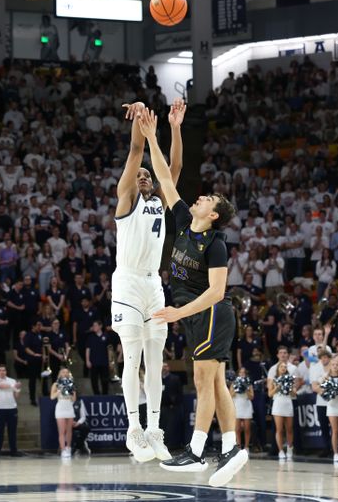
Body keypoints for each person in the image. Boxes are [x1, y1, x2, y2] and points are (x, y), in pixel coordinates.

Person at [139, 109, 248, 486]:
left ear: (214, 215)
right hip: (199, 314)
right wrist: (161, 133)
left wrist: (177, 312)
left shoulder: (217, 244)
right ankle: (232, 445)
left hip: (214, 313)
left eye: (207, 199)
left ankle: (198, 451)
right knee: (215, 383)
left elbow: (217, 292)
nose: (199, 197)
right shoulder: (185, 221)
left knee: (204, 382)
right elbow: (166, 176)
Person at [111, 100, 184, 462]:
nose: (144, 177)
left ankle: (154, 429)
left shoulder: (159, 199)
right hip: (126, 284)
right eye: (139, 175)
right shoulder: (126, 200)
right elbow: (137, 149)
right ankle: (133, 428)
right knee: (132, 357)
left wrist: (175, 127)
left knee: (156, 361)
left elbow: (176, 166)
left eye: (147, 176)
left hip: (154, 284)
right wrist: (140, 119)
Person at [269, 361, 295, 460]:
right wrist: (277, 388)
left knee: (289, 429)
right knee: (279, 429)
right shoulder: (274, 379)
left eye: (285, 367)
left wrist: (290, 388)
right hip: (278, 404)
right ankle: (280, 451)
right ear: (278, 368)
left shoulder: (290, 379)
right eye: (281, 367)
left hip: (288, 403)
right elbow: (270, 394)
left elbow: (294, 394)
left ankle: (289, 448)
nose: (283, 368)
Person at [0, 364, 20, 457]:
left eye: (4, 370)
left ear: (6, 371)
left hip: (12, 408)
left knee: (12, 431)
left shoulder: (12, 380)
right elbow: (1, 386)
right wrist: (14, 386)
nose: (2, 372)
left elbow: (16, 396)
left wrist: (18, 389)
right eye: (0, 370)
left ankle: (14, 451)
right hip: (0, 408)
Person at [51, 367, 77, 458]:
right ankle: (63, 450)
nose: (65, 374)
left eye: (67, 372)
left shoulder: (71, 384)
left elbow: (74, 399)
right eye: (63, 372)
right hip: (60, 408)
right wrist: (59, 391)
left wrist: (71, 392)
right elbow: (52, 397)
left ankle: (68, 448)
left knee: (69, 430)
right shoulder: (56, 384)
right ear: (60, 374)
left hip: (69, 407)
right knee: (62, 431)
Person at [229, 367, 253, 451]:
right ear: (238, 374)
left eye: (244, 373)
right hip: (237, 406)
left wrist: (245, 388)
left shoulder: (248, 383)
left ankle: (246, 447)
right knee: (237, 429)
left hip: (246, 405)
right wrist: (237, 388)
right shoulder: (234, 383)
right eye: (240, 372)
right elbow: (230, 395)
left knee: (247, 428)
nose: (242, 374)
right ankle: (238, 447)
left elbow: (251, 397)